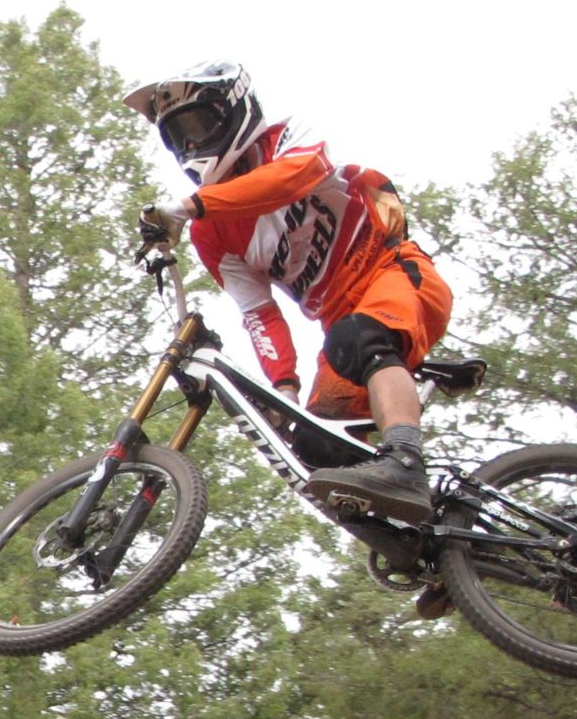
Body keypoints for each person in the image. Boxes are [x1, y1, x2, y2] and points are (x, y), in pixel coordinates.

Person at [127, 62, 456, 536]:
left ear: (233, 108)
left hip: (396, 275)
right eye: (178, 137)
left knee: (356, 336)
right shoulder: (211, 233)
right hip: (341, 332)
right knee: (311, 456)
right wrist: (283, 387)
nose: (192, 145)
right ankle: (430, 549)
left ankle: (405, 461)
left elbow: (297, 175)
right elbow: (259, 313)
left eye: (197, 126)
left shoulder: (286, 137)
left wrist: (186, 205)